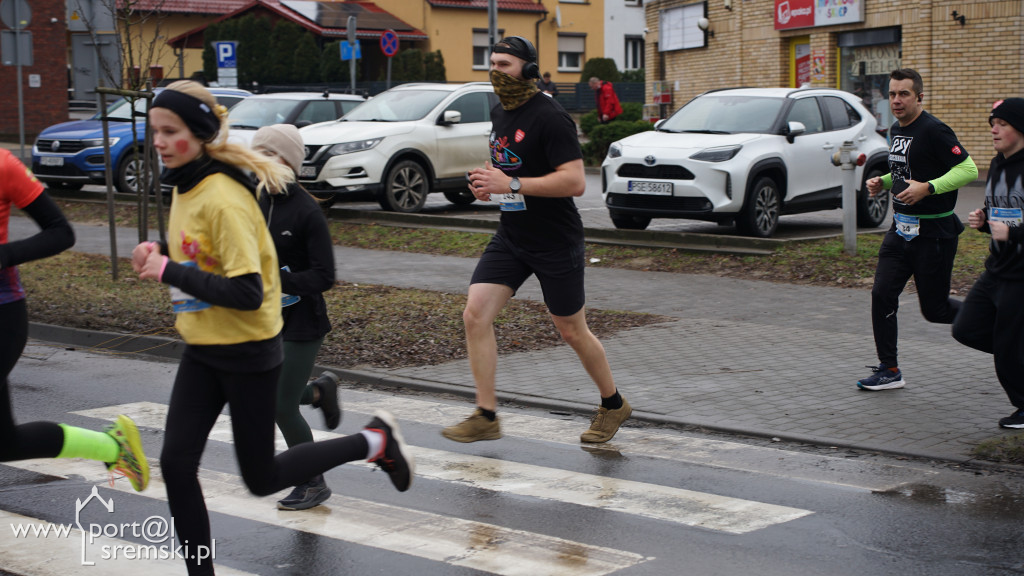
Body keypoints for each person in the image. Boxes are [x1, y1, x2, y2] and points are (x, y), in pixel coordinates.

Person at [132, 80, 413, 576]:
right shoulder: (185, 182)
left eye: (168, 131)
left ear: (197, 133)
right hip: (202, 347)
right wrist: (164, 254)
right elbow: (202, 255)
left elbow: (247, 292)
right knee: (176, 465)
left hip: (247, 351)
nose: (157, 141)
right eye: (154, 130)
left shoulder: (224, 197)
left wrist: (169, 271)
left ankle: (375, 442)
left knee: (261, 478)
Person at [443, 36, 630, 444]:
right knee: (475, 314)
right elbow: (504, 162)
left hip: (555, 239)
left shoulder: (552, 117)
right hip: (512, 236)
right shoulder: (500, 111)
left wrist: (509, 181)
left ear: (528, 69)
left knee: (571, 330)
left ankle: (613, 404)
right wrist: (488, 183)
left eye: (505, 64)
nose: (496, 72)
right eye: (491, 63)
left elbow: (576, 182)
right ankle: (486, 414)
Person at [0, 149, 148, 492]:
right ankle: (114, 447)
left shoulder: (5, 165)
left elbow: (61, 232)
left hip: (3, 314)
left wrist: (4, 255)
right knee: (6, 443)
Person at [859, 68, 978, 391]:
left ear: (919, 97)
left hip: (934, 234)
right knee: (882, 295)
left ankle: (998, 321)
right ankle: (889, 369)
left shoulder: (935, 130)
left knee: (936, 310)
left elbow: (968, 169)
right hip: (900, 230)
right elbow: (904, 171)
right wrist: (881, 182)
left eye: (904, 94)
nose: (896, 101)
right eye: (892, 94)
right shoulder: (896, 130)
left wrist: (929, 188)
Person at [252, 124, 341, 511]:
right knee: (268, 395)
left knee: (280, 406)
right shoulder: (254, 199)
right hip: (262, 318)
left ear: (290, 162)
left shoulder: (306, 210)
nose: (262, 163)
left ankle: (312, 481)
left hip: (302, 322)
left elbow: (325, 277)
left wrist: (279, 278)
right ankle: (320, 391)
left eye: (271, 155)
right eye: (258, 155)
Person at [952, 98, 1024, 428]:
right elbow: (999, 210)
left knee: (1009, 347)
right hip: (996, 270)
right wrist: (984, 220)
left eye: (1002, 124)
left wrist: (1013, 233)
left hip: (1021, 276)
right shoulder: (997, 164)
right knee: (966, 328)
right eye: (992, 123)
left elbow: (1013, 226)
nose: (994, 129)